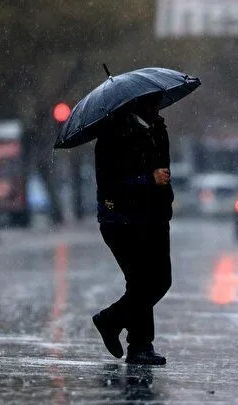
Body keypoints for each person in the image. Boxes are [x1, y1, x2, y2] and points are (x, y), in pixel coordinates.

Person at [91, 92, 173, 365]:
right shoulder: (113, 135)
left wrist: (163, 198)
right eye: (152, 102)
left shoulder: (158, 129)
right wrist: (147, 179)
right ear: (136, 103)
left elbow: (164, 170)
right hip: (123, 221)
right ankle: (139, 345)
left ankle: (111, 321)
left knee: (160, 281)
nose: (158, 107)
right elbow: (111, 183)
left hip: (155, 217)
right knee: (141, 282)